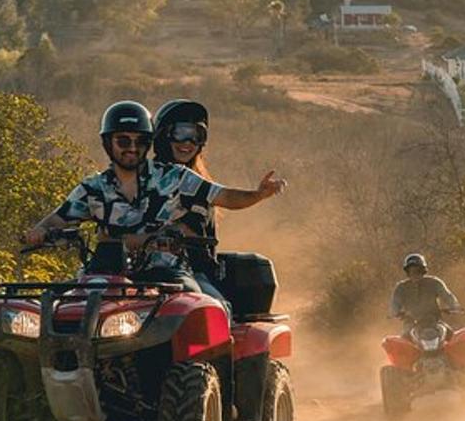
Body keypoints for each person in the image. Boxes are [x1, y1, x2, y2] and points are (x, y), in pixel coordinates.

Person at [23, 100, 286, 292]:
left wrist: (258, 194)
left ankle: (207, 369)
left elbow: (226, 197)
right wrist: (38, 232)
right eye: (123, 141)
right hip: (104, 277)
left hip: (168, 276)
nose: (132, 148)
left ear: (149, 143)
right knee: (49, 311)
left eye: (139, 141)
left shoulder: (175, 177)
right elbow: (57, 219)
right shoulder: (93, 188)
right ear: (108, 143)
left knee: (208, 310)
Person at [151, 99, 226, 307]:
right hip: (141, 273)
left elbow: (202, 247)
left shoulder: (203, 186)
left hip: (190, 274)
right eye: (181, 132)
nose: (188, 142)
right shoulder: (142, 180)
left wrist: (259, 193)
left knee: (216, 309)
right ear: (163, 135)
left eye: (197, 135)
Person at [388, 253, 462, 336]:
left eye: (417, 270)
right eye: (411, 270)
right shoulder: (401, 287)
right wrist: (395, 313)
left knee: (451, 336)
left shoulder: (434, 282)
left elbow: (447, 296)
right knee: (403, 340)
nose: (414, 273)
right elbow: (395, 303)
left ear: (423, 271)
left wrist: (454, 306)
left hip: (434, 321)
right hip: (411, 324)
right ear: (407, 272)